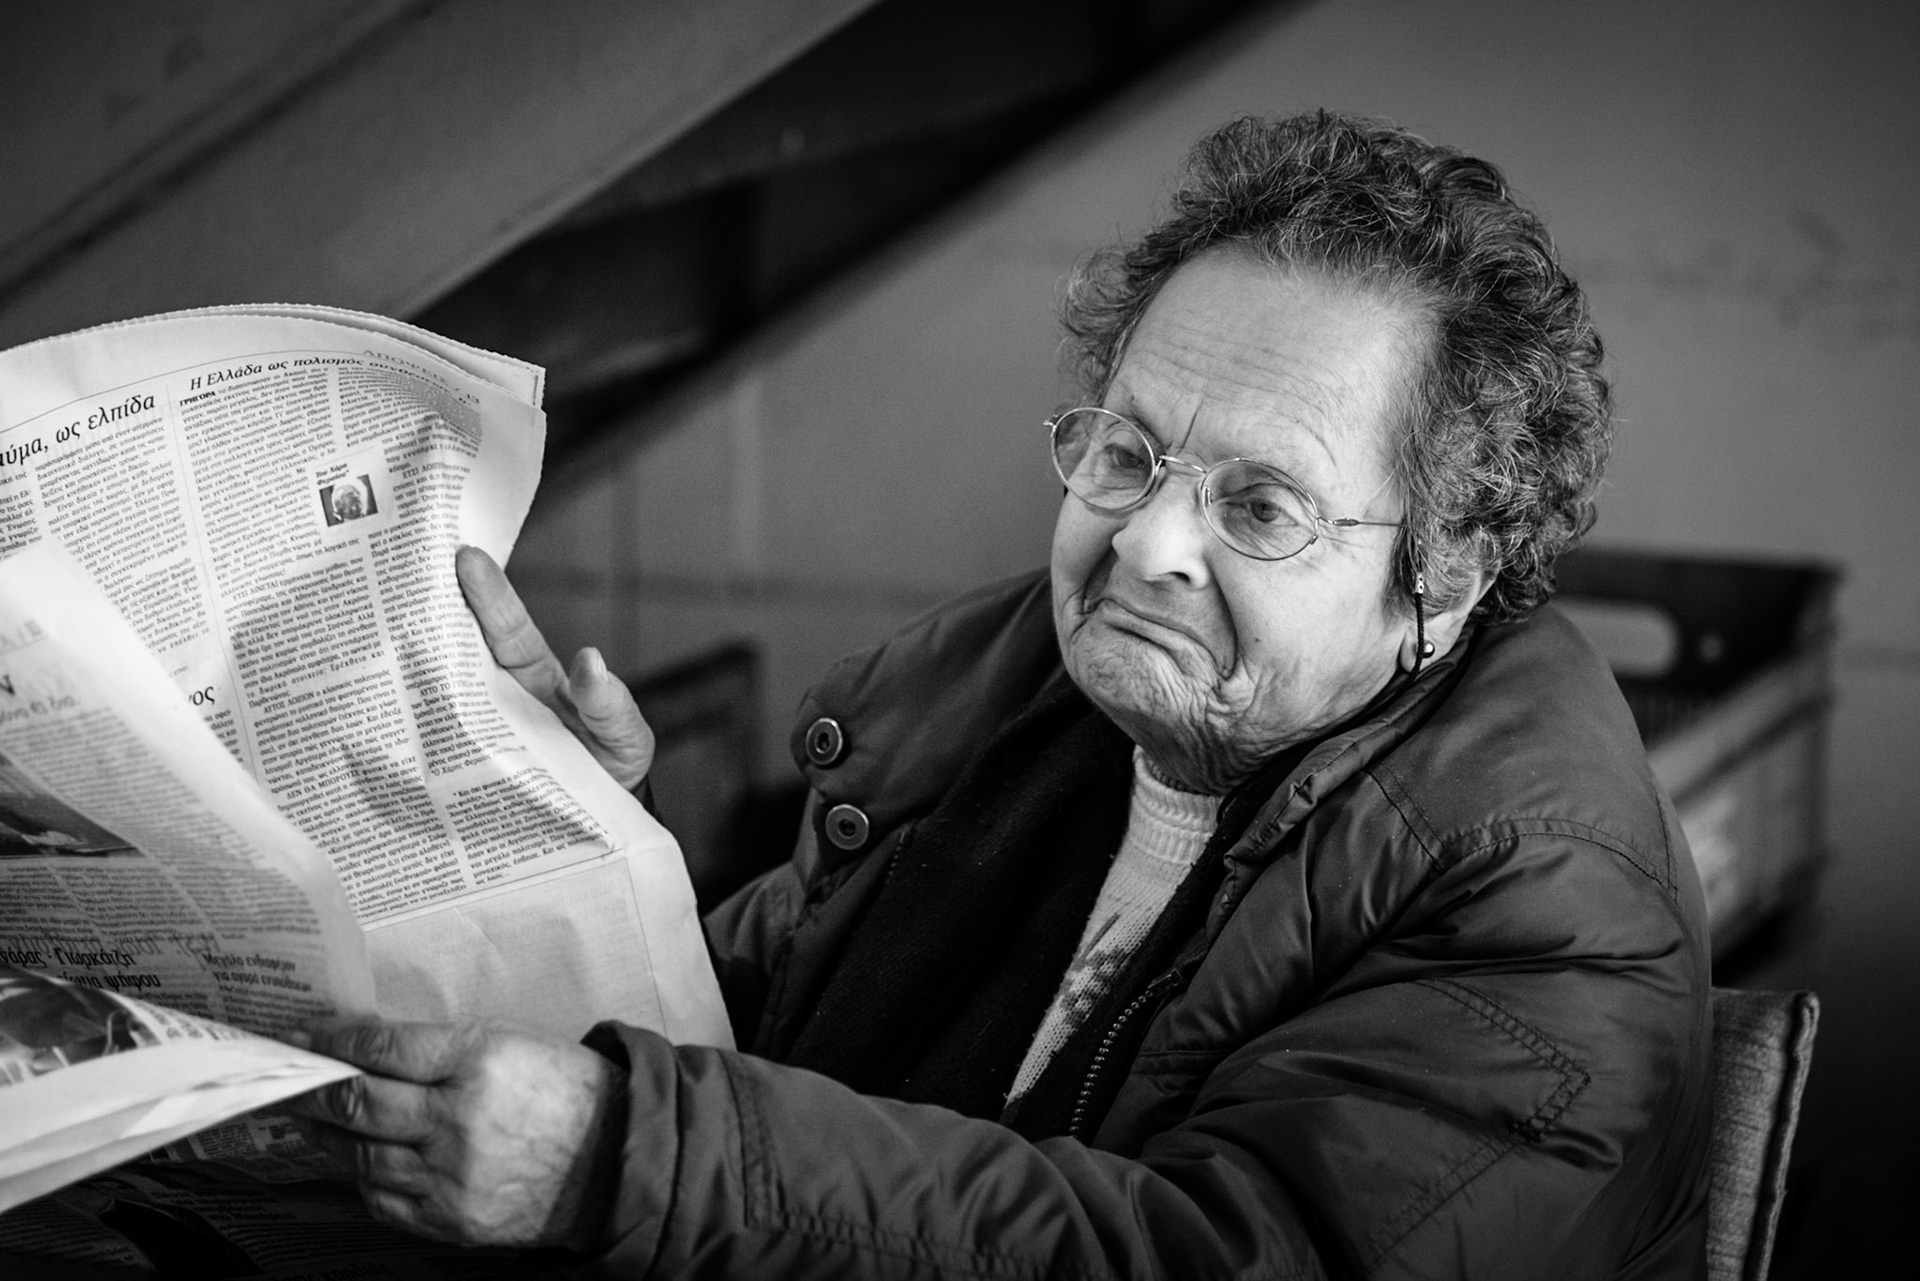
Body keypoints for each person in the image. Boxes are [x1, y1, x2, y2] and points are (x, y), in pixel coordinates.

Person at [289, 111, 1712, 1278]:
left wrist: (625, 1156)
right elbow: (762, 1053)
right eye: (1128, 452)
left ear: (1445, 573)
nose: (1148, 545)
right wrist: (583, 856)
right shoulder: (1011, 696)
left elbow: (1219, 1257)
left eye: (1261, 506)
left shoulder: (1543, 895)